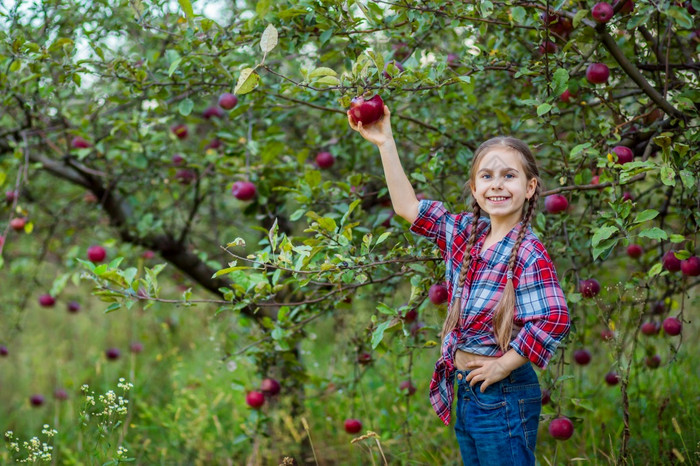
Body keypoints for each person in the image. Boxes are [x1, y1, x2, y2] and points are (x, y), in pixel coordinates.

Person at [348, 104, 570, 465]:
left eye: (509, 176)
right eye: (487, 176)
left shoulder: (530, 252)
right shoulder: (465, 233)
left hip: (504, 392)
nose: (497, 184)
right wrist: (385, 142)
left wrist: (502, 365)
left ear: (530, 188)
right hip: (467, 390)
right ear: (474, 186)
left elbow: (554, 318)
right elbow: (408, 208)